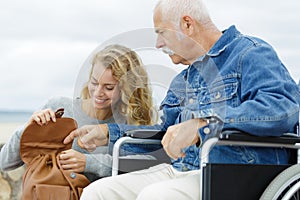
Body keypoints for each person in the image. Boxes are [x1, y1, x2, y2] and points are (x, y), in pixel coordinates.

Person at [63, 0, 300, 199]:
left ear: (187, 24)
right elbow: (162, 136)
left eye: (161, 33)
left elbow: (283, 109)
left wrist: (205, 124)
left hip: (232, 171)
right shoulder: (182, 81)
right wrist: (107, 132)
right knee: (99, 192)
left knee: (155, 196)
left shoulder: (250, 53)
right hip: (179, 169)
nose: (158, 44)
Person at [0, 44, 157, 182]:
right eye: (94, 82)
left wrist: (88, 163)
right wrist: (29, 129)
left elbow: (139, 167)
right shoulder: (59, 107)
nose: (98, 92)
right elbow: (5, 163)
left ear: (126, 88)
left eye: (109, 87)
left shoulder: (127, 125)